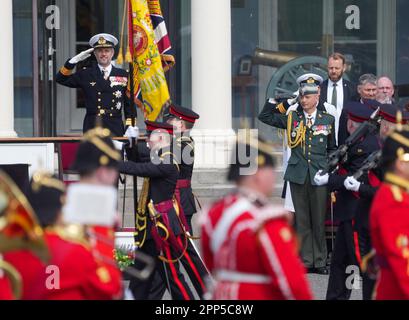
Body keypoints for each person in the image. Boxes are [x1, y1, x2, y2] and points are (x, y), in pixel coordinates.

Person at [4, 129, 123, 300]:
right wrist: (103, 231)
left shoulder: (11, 253)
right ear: (59, 210)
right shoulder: (76, 251)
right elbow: (111, 288)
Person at [200, 135, 312, 300]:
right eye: (271, 170)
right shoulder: (267, 221)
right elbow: (293, 283)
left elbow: (212, 265)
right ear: (257, 173)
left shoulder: (213, 213)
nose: (273, 177)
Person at [259, 73, 336, 274]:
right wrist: (282, 102)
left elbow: (332, 148)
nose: (304, 99)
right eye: (301, 96)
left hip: (318, 175)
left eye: (308, 96)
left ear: (316, 97)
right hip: (298, 174)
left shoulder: (327, 118)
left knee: (318, 220)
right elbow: (265, 116)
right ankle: (305, 260)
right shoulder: (292, 117)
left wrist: (328, 170)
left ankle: (319, 261)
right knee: (302, 220)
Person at [119, 121, 195, 300]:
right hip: (149, 230)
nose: (147, 142)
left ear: (161, 138)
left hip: (162, 228)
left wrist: (110, 163)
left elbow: (139, 168)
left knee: (172, 278)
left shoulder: (167, 160)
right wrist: (131, 143)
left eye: (150, 138)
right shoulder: (158, 155)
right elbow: (137, 158)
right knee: (139, 274)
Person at [314, 102, 380, 299]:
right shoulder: (355, 141)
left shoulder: (367, 145)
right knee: (340, 264)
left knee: (362, 263)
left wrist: (330, 180)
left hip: (356, 213)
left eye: (349, 121)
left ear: (353, 123)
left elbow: (355, 178)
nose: (347, 124)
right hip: (347, 212)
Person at [147, 104, 208, 299]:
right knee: (170, 253)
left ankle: (208, 292)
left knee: (184, 253)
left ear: (180, 124)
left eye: (171, 120)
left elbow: (156, 157)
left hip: (178, 202)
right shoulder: (177, 142)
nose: (167, 123)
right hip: (174, 201)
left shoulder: (183, 144)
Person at [56, 33, 136, 136]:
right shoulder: (86, 74)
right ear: (95, 53)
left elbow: (129, 105)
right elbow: (60, 79)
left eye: (107, 51)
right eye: (100, 51)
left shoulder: (123, 75)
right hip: (92, 126)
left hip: (115, 126)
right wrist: (73, 61)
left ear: (112, 53)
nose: (103, 54)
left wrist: (130, 126)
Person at [370, 127, 409, 299]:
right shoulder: (393, 199)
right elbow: (402, 256)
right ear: (400, 163)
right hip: (397, 290)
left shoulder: (399, 194)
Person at [320, 52, 357, 145]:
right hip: (323, 139)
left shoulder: (352, 89)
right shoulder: (319, 88)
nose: (333, 71)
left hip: (345, 139)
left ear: (344, 68)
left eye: (337, 68)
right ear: (327, 67)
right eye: (331, 68)